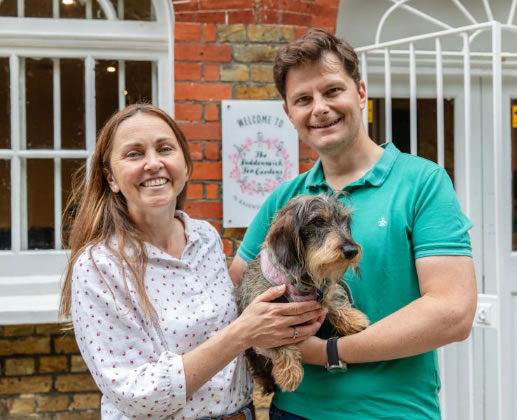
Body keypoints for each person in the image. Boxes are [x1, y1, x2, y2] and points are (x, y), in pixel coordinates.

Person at [229, 29, 477, 419]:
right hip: (294, 410)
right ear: (288, 112)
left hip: (393, 411)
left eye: (332, 91)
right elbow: (237, 289)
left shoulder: (422, 183)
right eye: (303, 99)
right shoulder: (285, 201)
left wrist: (328, 351)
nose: (320, 109)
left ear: (360, 92)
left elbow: (453, 312)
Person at [59, 104, 327, 420]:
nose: (153, 163)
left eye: (164, 149)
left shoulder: (205, 237)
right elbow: (135, 394)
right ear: (111, 178)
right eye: (134, 154)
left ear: (185, 166)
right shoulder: (99, 266)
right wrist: (243, 333)